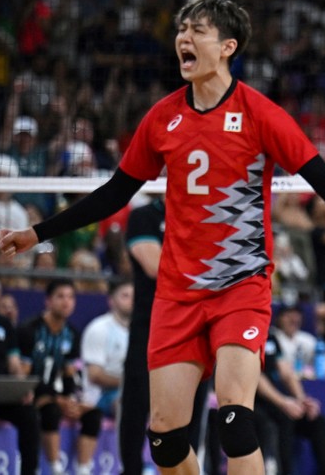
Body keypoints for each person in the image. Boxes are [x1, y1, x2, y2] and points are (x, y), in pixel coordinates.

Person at [0, 0, 325, 475]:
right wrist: (37, 234)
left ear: (228, 46)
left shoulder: (261, 114)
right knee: (165, 440)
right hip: (177, 295)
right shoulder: (162, 118)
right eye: (181, 30)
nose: (184, 38)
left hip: (241, 286)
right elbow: (113, 195)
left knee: (235, 420)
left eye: (198, 30)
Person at [120, 195, 209, 475]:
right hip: (151, 325)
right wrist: (205, 272)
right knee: (140, 410)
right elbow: (155, 267)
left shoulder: (205, 212)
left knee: (190, 416)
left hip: (196, 325)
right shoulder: (144, 215)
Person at [17, 279, 100, 475]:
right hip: (33, 393)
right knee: (51, 410)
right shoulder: (29, 330)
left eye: (71, 297)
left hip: (59, 394)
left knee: (93, 415)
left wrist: (72, 400)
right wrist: (55, 398)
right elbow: (23, 375)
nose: (66, 302)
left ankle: (83, 469)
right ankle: (55, 468)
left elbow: (70, 373)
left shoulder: (72, 334)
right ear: (48, 301)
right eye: (60, 296)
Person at [0, 264, 40, 475]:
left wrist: (22, 387)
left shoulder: (5, 325)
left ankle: (29, 472)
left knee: (29, 415)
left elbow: (14, 364)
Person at [255, 328, 325, 475]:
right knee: (285, 419)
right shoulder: (246, 333)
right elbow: (256, 377)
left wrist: (302, 399)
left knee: (317, 421)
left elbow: (286, 372)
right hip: (254, 402)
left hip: (277, 402)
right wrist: (283, 402)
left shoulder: (271, 337)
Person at [80, 280, 133, 422]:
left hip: (129, 389)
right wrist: (131, 382)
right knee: (127, 402)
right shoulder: (99, 328)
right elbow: (95, 375)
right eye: (125, 296)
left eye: (134, 296)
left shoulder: (141, 332)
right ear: (111, 301)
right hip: (101, 395)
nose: (131, 301)